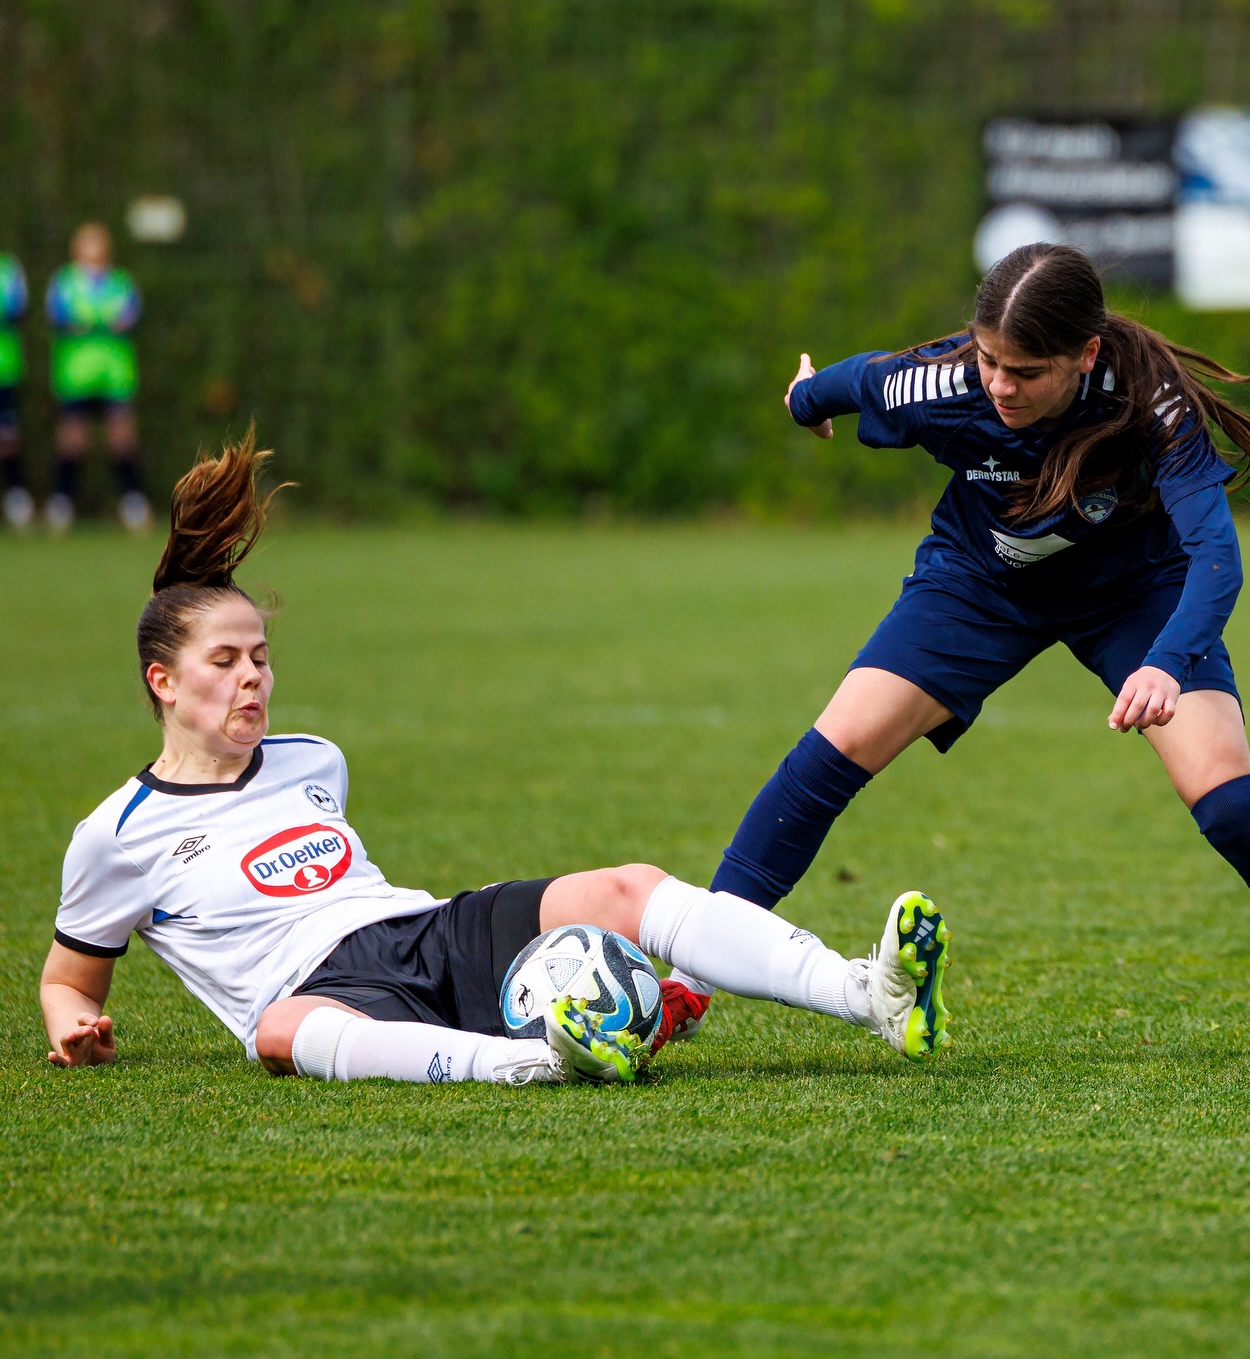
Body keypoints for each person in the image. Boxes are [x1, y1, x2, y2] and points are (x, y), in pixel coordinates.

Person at [665, 243, 1250, 1076]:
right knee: (832, 751)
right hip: (979, 584)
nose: (1000, 385)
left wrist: (1167, 662)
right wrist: (803, 402)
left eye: (1026, 371)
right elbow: (839, 386)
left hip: (1133, 594)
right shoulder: (940, 384)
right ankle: (688, 982)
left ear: (1085, 355)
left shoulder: (1150, 400)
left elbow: (1216, 556)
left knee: (1229, 802)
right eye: (988, 359)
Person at [39, 429, 952, 1086]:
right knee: (278, 1032)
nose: (253, 679)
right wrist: (76, 1026)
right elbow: (68, 979)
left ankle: (867, 993)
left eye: (261, 658)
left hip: (425, 932)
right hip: (320, 994)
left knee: (628, 887)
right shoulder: (117, 834)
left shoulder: (311, 760)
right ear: (163, 681)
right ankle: (527, 1062)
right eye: (226, 662)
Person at [44, 222, 149, 533]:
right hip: (75, 375)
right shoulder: (64, 282)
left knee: (122, 439)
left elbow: (128, 316)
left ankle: (134, 502)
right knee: (73, 441)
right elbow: (62, 317)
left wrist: (90, 322)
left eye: (97, 242)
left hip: (115, 374)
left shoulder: (121, 282)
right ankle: (62, 502)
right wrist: (100, 321)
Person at [0, 251, 31, 529]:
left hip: (4, 367)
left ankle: (15, 495)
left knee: (7, 435)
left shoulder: (8, 270)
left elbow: (16, 308)